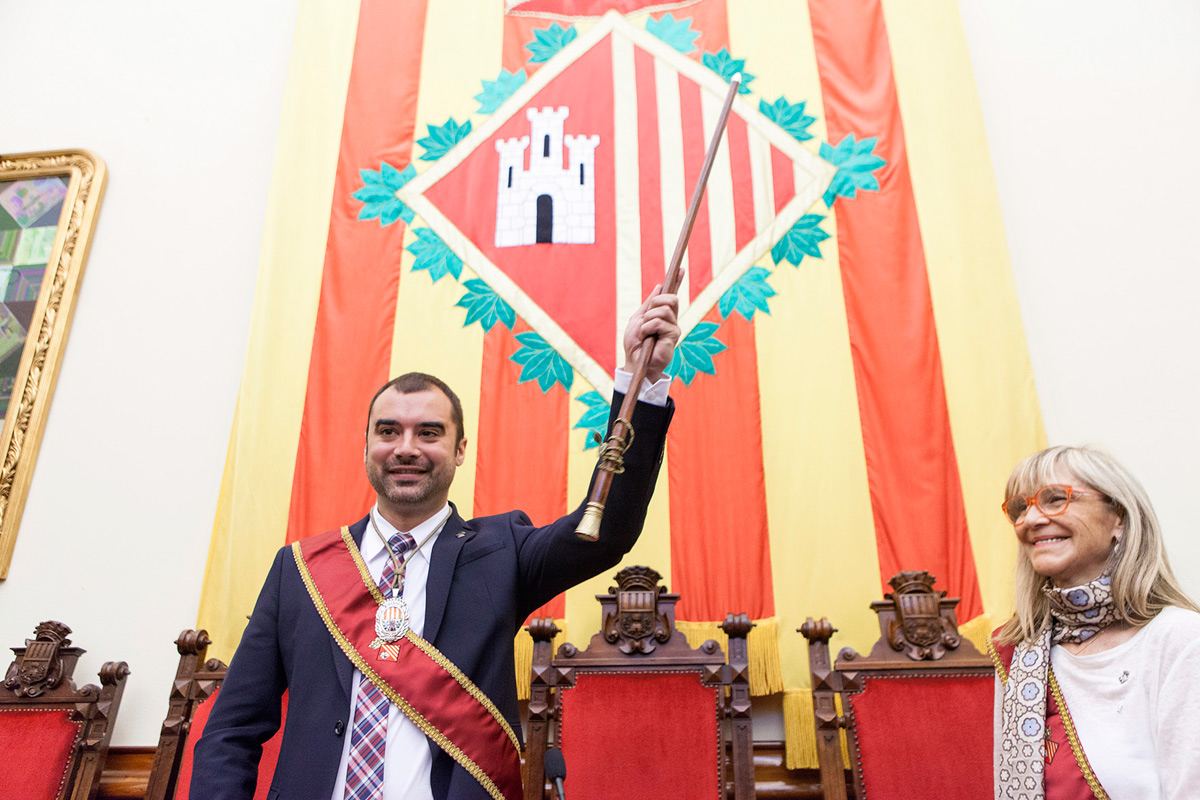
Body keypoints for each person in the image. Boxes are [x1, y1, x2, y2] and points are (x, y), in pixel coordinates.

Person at [192, 290, 681, 800]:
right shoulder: (301, 570)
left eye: (428, 432)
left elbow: (609, 530)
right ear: (367, 448)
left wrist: (640, 382)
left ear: (459, 449)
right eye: (388, 432)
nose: (406, 448)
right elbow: (231, 732)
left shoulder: (502, 553)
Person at [990, 445, 1200, 800]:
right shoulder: (1018, 651)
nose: (1031, 520)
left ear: (1118, 516)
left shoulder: (1180, 639)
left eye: (1055, 499)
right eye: (1019, 508)